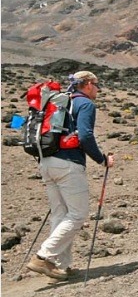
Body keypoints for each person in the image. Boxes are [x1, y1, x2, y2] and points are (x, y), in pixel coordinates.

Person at [26, 71, 115, 281]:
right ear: (86, 85)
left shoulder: (59, 102)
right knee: (77, 214)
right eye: (96, 84)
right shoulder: (85, 104)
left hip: (46, 162)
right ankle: (43, 256)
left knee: (60, 213)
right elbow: (85, 135)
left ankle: (59, 265)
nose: (98, 89)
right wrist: (102, 160)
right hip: (68, 165)